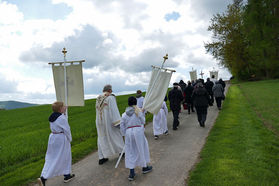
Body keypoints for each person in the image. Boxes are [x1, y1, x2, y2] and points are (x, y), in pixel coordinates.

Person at [38, 102, 75, 186]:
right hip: (61, 138)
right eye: (64, 106)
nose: (66, 107)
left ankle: (67, 174)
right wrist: (70, 138)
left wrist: (64, 113)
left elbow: (59, 122)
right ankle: (44, 178)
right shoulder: (61, 118)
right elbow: (66, 129)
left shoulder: (53, 116)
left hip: (53, 137)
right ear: (60, 109)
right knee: (64, 156)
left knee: (51, 157)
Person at [120, 96, 152, 181]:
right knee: (141, 149)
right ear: (135, 103)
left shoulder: (124, 114)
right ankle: (144, 167)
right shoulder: (138, 112)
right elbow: (143, 121)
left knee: (130, 151)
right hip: (138, 132)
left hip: (128, 133)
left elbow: (122, 126)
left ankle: (131, 172)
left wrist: (124, 135)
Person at [95, 84, 124, 165]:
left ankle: (101, 157)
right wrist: (118, 122)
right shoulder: (110, 97)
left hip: (99, 121)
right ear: (110, 90)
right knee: (116, 134)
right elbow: (114, 110)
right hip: (109, 121)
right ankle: (122, 151)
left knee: (101, 138)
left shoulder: (98, 98)